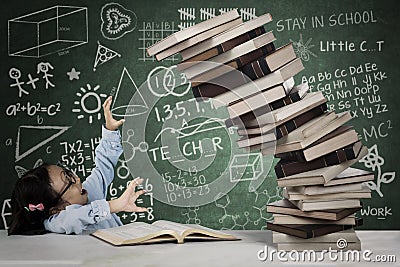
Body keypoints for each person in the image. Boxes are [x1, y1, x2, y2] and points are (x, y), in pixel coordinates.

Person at [8, 96, 148, 235]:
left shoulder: (88, 192)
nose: (78, 179)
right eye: (69, 182)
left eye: (69, 173)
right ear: (56, 210)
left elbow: (103, 166)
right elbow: (73, 218)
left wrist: (110, 130)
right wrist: (115, 205)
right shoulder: (56, 221)